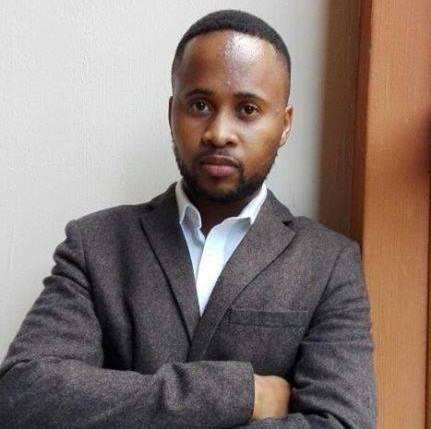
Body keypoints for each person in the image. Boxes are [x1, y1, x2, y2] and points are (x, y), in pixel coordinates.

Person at [0, 9, 376, 429]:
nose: (219, 132)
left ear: (285, 124)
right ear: (172, 113)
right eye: (200, 105)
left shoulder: (327, 263)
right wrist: (243, 393)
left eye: (247, 109)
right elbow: (23, 395)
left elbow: (343, 423)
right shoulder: (96, 244)